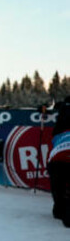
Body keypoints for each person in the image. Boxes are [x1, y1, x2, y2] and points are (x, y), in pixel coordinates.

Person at [48, 96, 70, 227]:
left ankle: (59, 208)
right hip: (58, 157)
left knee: (57, 183)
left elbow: (53, 106)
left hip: (57, 157)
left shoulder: (65, 103)